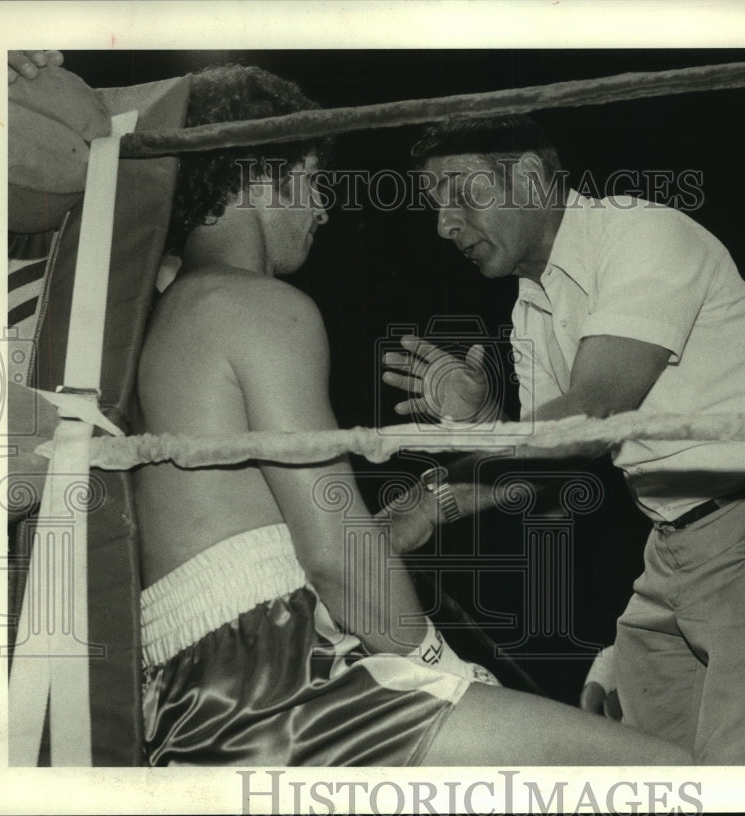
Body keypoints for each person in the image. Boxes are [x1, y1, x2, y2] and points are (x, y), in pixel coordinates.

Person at [129, 65, 690, 766]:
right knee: (668, 774)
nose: (324, 209)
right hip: (273, 687)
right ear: (261, 175)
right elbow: (336, 557)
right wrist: (438, 663)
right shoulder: (259, 307)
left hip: (193, 694)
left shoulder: (160, 317)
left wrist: (437, 495)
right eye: (312, 181)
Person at [381, 115, 745, 765]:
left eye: (461, 194)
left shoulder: (642, 234)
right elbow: (552, 473)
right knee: (647, 786)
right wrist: (481, 429)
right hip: (674, 551)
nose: (445, 225)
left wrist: (448, 468)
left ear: (529, 177)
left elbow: (594, 410)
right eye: (435, 205)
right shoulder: (533, 304)